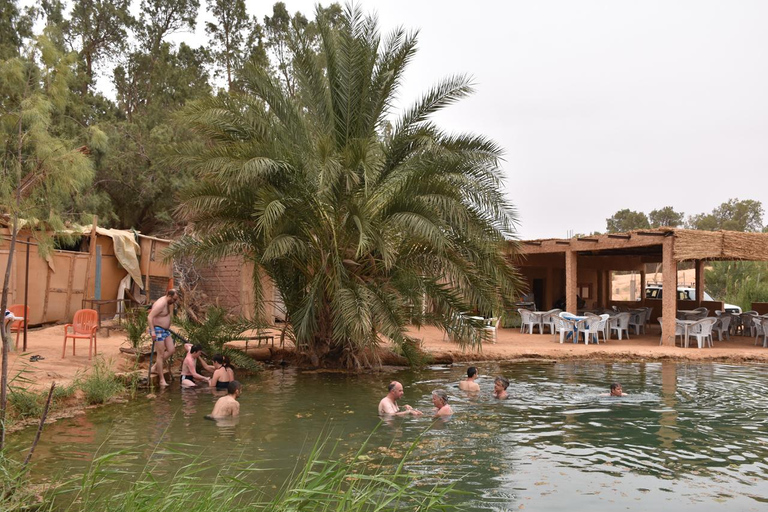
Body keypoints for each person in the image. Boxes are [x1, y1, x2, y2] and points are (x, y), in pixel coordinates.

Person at [148, 289, 179, 387]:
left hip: (165, 330)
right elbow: (149, 317)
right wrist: (153, 332)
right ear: (169, 295)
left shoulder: (168, 303)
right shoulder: (161, 304)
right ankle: (161, 380)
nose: (174, 302)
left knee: (171, 350)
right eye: (173, 299)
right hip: (158, 330)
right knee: (160, 355)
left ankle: (155, 367)